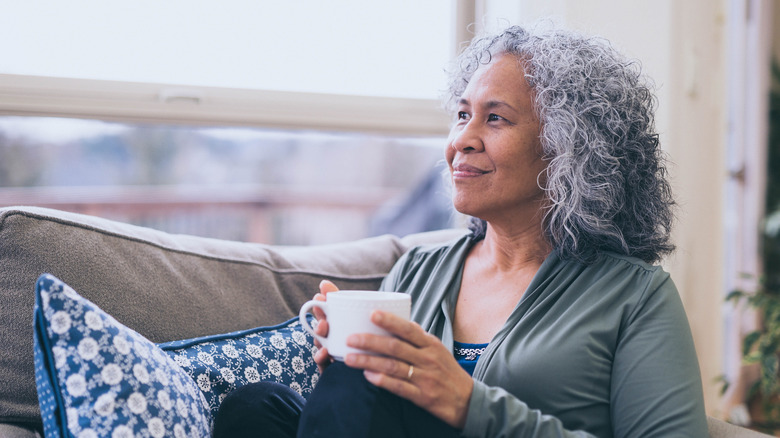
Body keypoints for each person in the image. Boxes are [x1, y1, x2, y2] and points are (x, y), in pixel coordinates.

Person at [213, 24, 708, 437]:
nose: (462, 141)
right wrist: (344, 375)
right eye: (463, 115)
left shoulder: (635, 297)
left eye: (495, 119)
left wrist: (472, 405)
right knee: (258, 409)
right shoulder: (417, 270)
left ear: (570, 149)